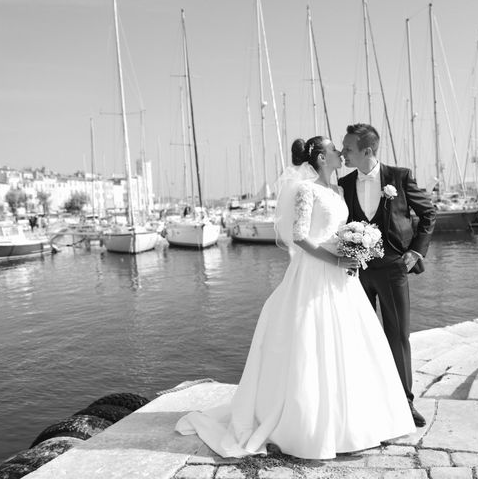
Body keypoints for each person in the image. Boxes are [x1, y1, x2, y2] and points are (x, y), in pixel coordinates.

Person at [175, 136, 415, 459]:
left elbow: (337, 229)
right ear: (320, 158)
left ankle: (358, 423)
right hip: (315, 274)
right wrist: (337, 259)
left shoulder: (340, 190)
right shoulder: (307, 190)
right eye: (333, 149)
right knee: (311, 347)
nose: (339, 153)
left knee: (350, 345)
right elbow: (300, 236)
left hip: (343, 278)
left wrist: (358, 244)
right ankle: (312, 428)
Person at [339, 123, 437, 427]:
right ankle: (369, 400)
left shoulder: (399, 177)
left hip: (394, 268)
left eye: (348, 149)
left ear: (367, 151)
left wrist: (416, 251)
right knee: (362, 338)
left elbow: (429, 213)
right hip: (357, 271)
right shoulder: (343, 183)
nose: (342, 154)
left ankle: (405, 403)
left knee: (398, 336)